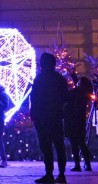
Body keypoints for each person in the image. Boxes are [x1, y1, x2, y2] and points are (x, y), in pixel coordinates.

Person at [30, 52, 69, 184]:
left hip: (43, 117)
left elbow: (34, 98)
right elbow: (65, 98)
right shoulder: (59, 79)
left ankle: (49, 174)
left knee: (47, 147)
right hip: (55, 117)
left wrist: (34, 114)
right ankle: (61, 174)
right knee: (58, 145)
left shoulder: (40, 79)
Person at [65, 76, 94, 173]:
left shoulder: (74, 93)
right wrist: (73, 76)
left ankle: (77, 164)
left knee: (74, 144)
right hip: (80, 121)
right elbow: (77, 85)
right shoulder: (84, 94)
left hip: (72, 121)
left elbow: (68, 95)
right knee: (82, 143)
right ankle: (87, 164)